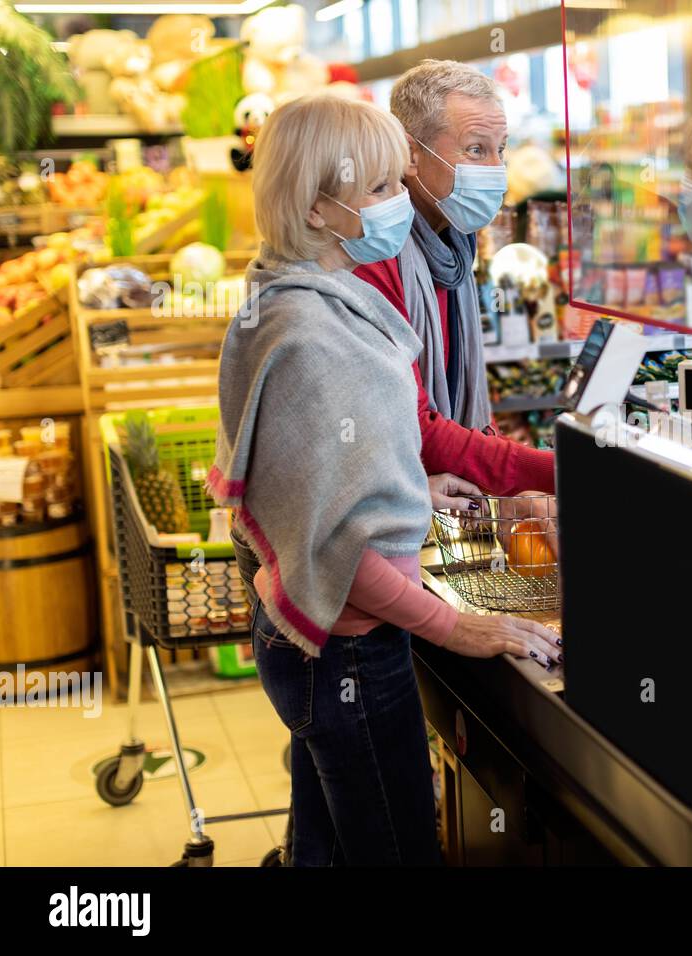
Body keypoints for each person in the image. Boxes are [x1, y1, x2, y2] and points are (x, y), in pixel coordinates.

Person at [209, 94, 561, 866]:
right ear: (319, 207)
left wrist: (411, 485)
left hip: (304, 631)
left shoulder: (294, 295)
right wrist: (457, 627)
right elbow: (335, 541)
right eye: (378, 189)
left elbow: (307, 478)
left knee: (326, 844)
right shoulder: (317, 334)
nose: (399, 204)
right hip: (349, 649)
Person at [349, 60, 556, 510]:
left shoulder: (455, 246)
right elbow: (413, 426)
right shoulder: (373, 254)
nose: (496, 169)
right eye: (475, 150)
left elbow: (461, 414)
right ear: (409, 153)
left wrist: (512, 490)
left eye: (501, 149)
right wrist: (557, 471)